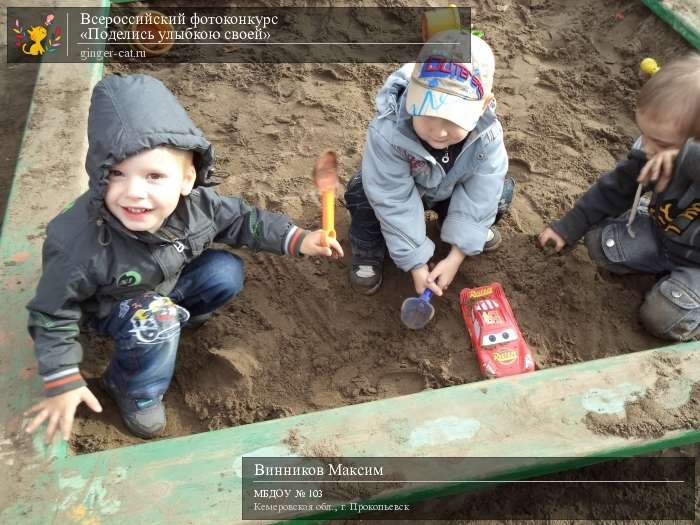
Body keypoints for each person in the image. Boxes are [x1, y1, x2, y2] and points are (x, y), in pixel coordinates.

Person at [24, 74, 343, 441]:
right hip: (110, 307)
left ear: (187, 178)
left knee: (225, 271)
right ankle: (132, 389)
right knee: (156, 318)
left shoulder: (200, 207)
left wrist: (299, 238)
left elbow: (244, 221)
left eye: (154, 176)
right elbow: (51, 313)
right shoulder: (79, 242)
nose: (134, 192)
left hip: (167, 283)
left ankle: (176, 319)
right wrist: (62, 379)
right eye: (116, 174)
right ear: (98, 175)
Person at [539, 54, 700, 341]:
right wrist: (569, 226)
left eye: (661, 144)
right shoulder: (650, 150)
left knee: (662, 316)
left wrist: (684, 159)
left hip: (696, 264)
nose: (647, 147)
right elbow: (616, 188)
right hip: (662, 234)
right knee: (600, 244)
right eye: (644, 135)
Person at [345, 30, 513, 296]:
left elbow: (482, 191)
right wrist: (417, 263)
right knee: (363, 190)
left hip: (451, 189)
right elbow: (393, 198)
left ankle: (459, 231)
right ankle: (368, 249)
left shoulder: (488, 135)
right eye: (427, 114)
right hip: (411, 191)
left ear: (483, 107)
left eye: (453, 120)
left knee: (500, 192)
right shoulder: (388, 132)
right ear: (413, 88)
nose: (439, 131)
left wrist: (457, 255)